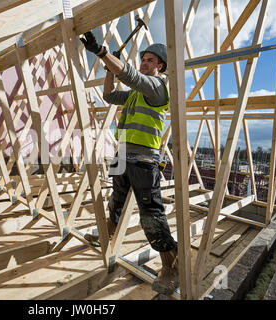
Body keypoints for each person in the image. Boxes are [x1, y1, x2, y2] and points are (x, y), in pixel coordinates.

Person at [80, 31, 179, 295]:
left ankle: (171, 265)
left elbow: (132, 76)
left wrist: (103, 53)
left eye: (149, 60)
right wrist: (109, 67)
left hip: (144, 161)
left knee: (151, 216)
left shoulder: (158, 88)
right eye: (143, 59)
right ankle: (109, 236)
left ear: (160, 66)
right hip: (122, 155)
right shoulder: (136, 94)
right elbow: (110, 95)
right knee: (116, 199)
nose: (144, 63)